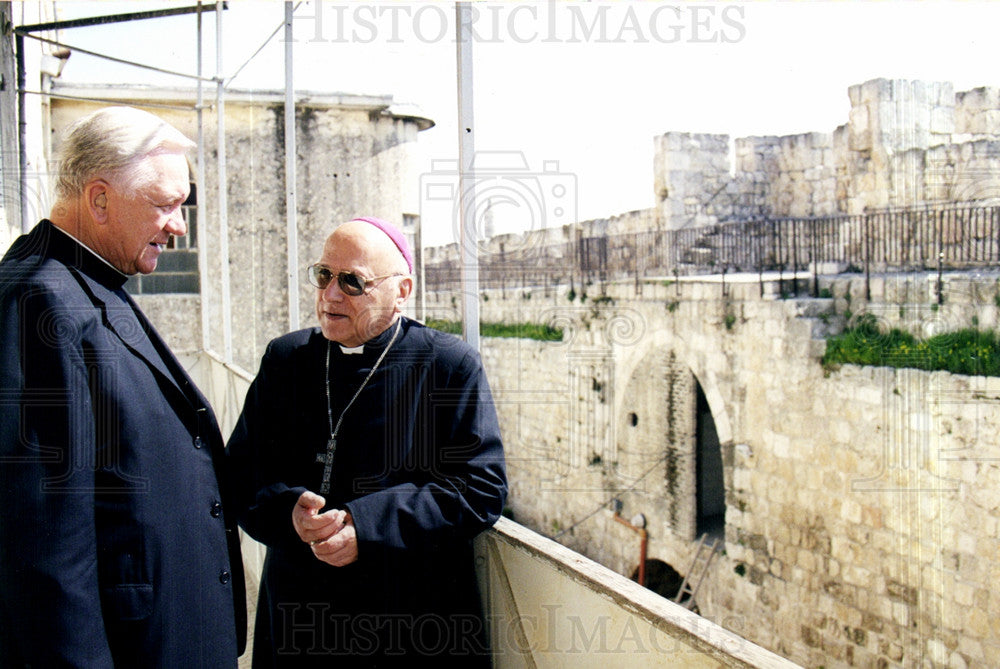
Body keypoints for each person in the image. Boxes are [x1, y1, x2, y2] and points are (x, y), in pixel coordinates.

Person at [0, 106, 246, 667]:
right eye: (165, 205)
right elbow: (41, 550)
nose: (179, 226)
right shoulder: (39, 299)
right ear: (100, 199)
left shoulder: (83, 278)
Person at [227, 217, 507, 667]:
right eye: (324, 276)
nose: (330, 295)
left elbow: (480, 489)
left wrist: (367, 527)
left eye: (353, 282)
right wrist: (288, 511)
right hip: (302, 617)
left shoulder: (448, 365)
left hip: (408, 624)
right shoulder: (286, 359)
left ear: (402, 291)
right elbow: (242, 472)